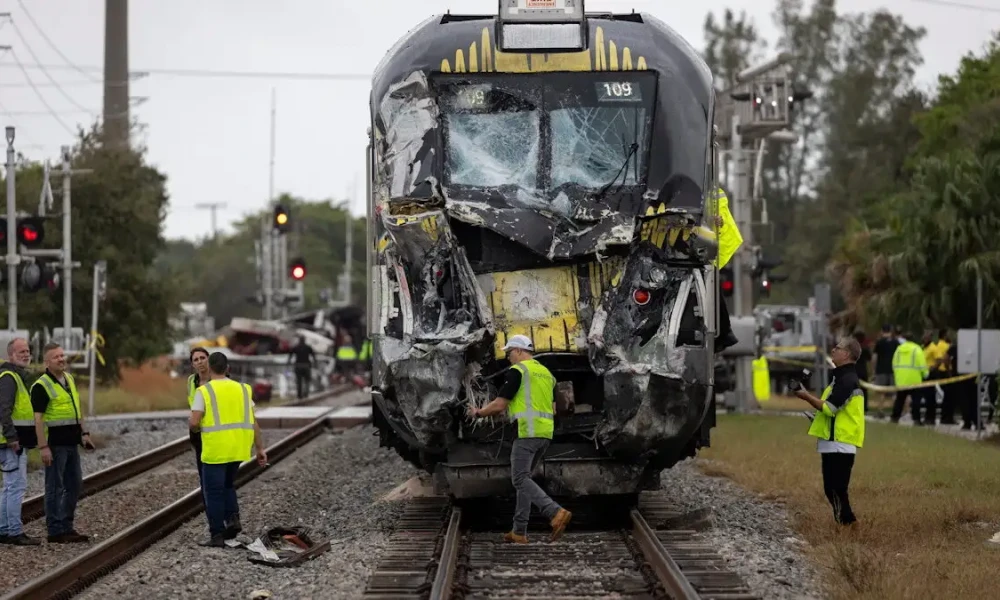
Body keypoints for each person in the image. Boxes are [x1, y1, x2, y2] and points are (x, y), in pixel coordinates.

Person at [466, 335, 572, 543]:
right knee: (525, 480)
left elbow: (499, 404)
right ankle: (519, 531)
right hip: (544, 434)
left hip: (527, 433)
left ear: (521, 351)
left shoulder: (518, 371)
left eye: (510, 353)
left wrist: (478, 413)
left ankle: (555, 512)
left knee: (519, 478)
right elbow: (551, 407)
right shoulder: (546, 373)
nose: (508, 358)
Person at [189, 352, 267, 547]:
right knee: (228, 485)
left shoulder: (204, 391)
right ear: (228, 368)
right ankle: (233, 520)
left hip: (216, 449)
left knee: (213, 491)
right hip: (238, 449)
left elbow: (194, 422)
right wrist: (260, 448)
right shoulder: (243, 389)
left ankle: (217, 535)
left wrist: (196, 428)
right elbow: (253, 421)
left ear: (210, 367)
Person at [790, 336, 865, 526]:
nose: (833, 350)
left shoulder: (847, 380)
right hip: (832, 442)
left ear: (846, 354)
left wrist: (806, 396)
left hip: (841, 442)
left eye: (837, 348)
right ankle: (845, 525)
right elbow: (831, 411)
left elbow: (830, 408)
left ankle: (850, 526)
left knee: (837, 489)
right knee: (831, 489)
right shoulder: (839, 378)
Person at [31, 342, 94, 543]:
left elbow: (77, 409)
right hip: (55, 445)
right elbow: (38, 419)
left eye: (62, 355)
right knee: (54, 487)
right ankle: (55, 530)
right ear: (47, 362)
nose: (61, 359)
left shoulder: (69, 379)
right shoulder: (41, 385)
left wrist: (84, 433)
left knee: (74, 485)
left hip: (72, 442)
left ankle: (66, 525)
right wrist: (43, 447)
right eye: (56, 357)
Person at [0, 338, 41, 545]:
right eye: (21, 351)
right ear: (10, 355)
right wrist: (12, 438)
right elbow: (3, 410)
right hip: (11, 444)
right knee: (15, 487)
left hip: (12, 442)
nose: (26, 354)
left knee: (9, 487)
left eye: (27, 351)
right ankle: (14, 532)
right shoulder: (9, 378)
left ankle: (4, 530)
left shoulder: (15, 377)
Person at [695, 187, 741, 352]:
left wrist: (715, 222)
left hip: (710, 243)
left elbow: (716, 219)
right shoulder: (704, 187)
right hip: (709, 242)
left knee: (707, 283)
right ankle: (723, 334)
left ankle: (723, 334)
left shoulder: (706, 190)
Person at [890, 333, 929, 425]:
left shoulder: (899, 349)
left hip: (901, 379)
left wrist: (897, 374)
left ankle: (895, 417)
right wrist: (926, 374)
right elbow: (922, 364)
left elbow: (894, 363)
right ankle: (916, 419)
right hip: (914, 379)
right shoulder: (917, 349)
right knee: (916, 401)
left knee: (900, 400)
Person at [187, 347, 211, 489]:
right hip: (198, 432)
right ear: (193, 365)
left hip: (214, 432)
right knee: (202, 473)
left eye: (203, 358)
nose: (200, 362)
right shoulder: (191, 381)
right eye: (196, 360)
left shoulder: (217, 379)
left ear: (208, 359)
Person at [930, 329, 955, 425]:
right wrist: (950, 372)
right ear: (944, 336)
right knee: (950, 396)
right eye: (948, 334)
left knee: (945, 395)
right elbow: (946, 360)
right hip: (947, 372)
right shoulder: (947, 346)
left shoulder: (937, 345)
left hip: (939, 372)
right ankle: (948, 418)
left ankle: (944, 417)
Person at [871, 325, 899, 411]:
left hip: (881, 370)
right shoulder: (895, 342)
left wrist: (873, 370)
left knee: (881, 391)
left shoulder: (879, 342)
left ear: (882, 331)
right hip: (893, 369)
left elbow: (874, 357)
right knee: (895, 391)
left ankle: (880, 409)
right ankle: (896, 410)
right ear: (890, 331)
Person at [853, 331, 872, 411]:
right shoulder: (865, 348)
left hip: (854, 371)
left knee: (853, 389)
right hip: (863, 370)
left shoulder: (853, 349)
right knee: (864, 390)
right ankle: (864, 407)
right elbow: (869, 358)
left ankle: (855, 406)